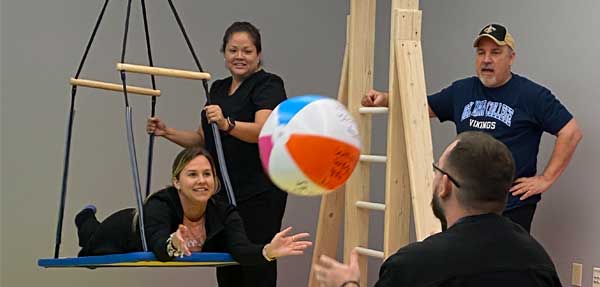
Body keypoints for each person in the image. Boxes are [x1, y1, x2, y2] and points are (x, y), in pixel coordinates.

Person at [362, 23, 583, 232]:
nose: (487, 60)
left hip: (511, 207)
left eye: (495, 52)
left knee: (502, 269)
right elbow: (421, 107)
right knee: (461, 266)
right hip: (463, 204)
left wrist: (545, 179)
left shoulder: (532, 95)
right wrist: (385, 99)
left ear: (511, 58)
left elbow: (570, 131)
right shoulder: (462, 90)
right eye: (481, 53)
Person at [313, 131, 561, 287]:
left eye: (437, 169)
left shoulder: (413, 266)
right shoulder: (537, 261)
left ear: (445, 185)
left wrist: (347, 282)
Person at [146, 22, 288, 286]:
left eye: (247, 51)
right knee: (228, 263)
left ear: (258, 54)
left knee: (257, 263)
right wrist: (167, 132)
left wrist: (226, 123)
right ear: (224, 53)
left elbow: (263, 131)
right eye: (233, 50)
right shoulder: (218, 89)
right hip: (223, 195)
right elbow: (202, 139)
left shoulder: (268, 84)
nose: (239, 57)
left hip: (259, 192)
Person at [75, 147, 311, 284]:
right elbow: (158, 246)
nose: (201, 181)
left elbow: (240, 248)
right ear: (177, 181)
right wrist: (173, 244)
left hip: (150, 231)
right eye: (192, 174)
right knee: (91, 248)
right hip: (124, 230)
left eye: (207, 174)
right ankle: (85, 217)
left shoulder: (224, 211)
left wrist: (267, 251)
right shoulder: (160, 204)